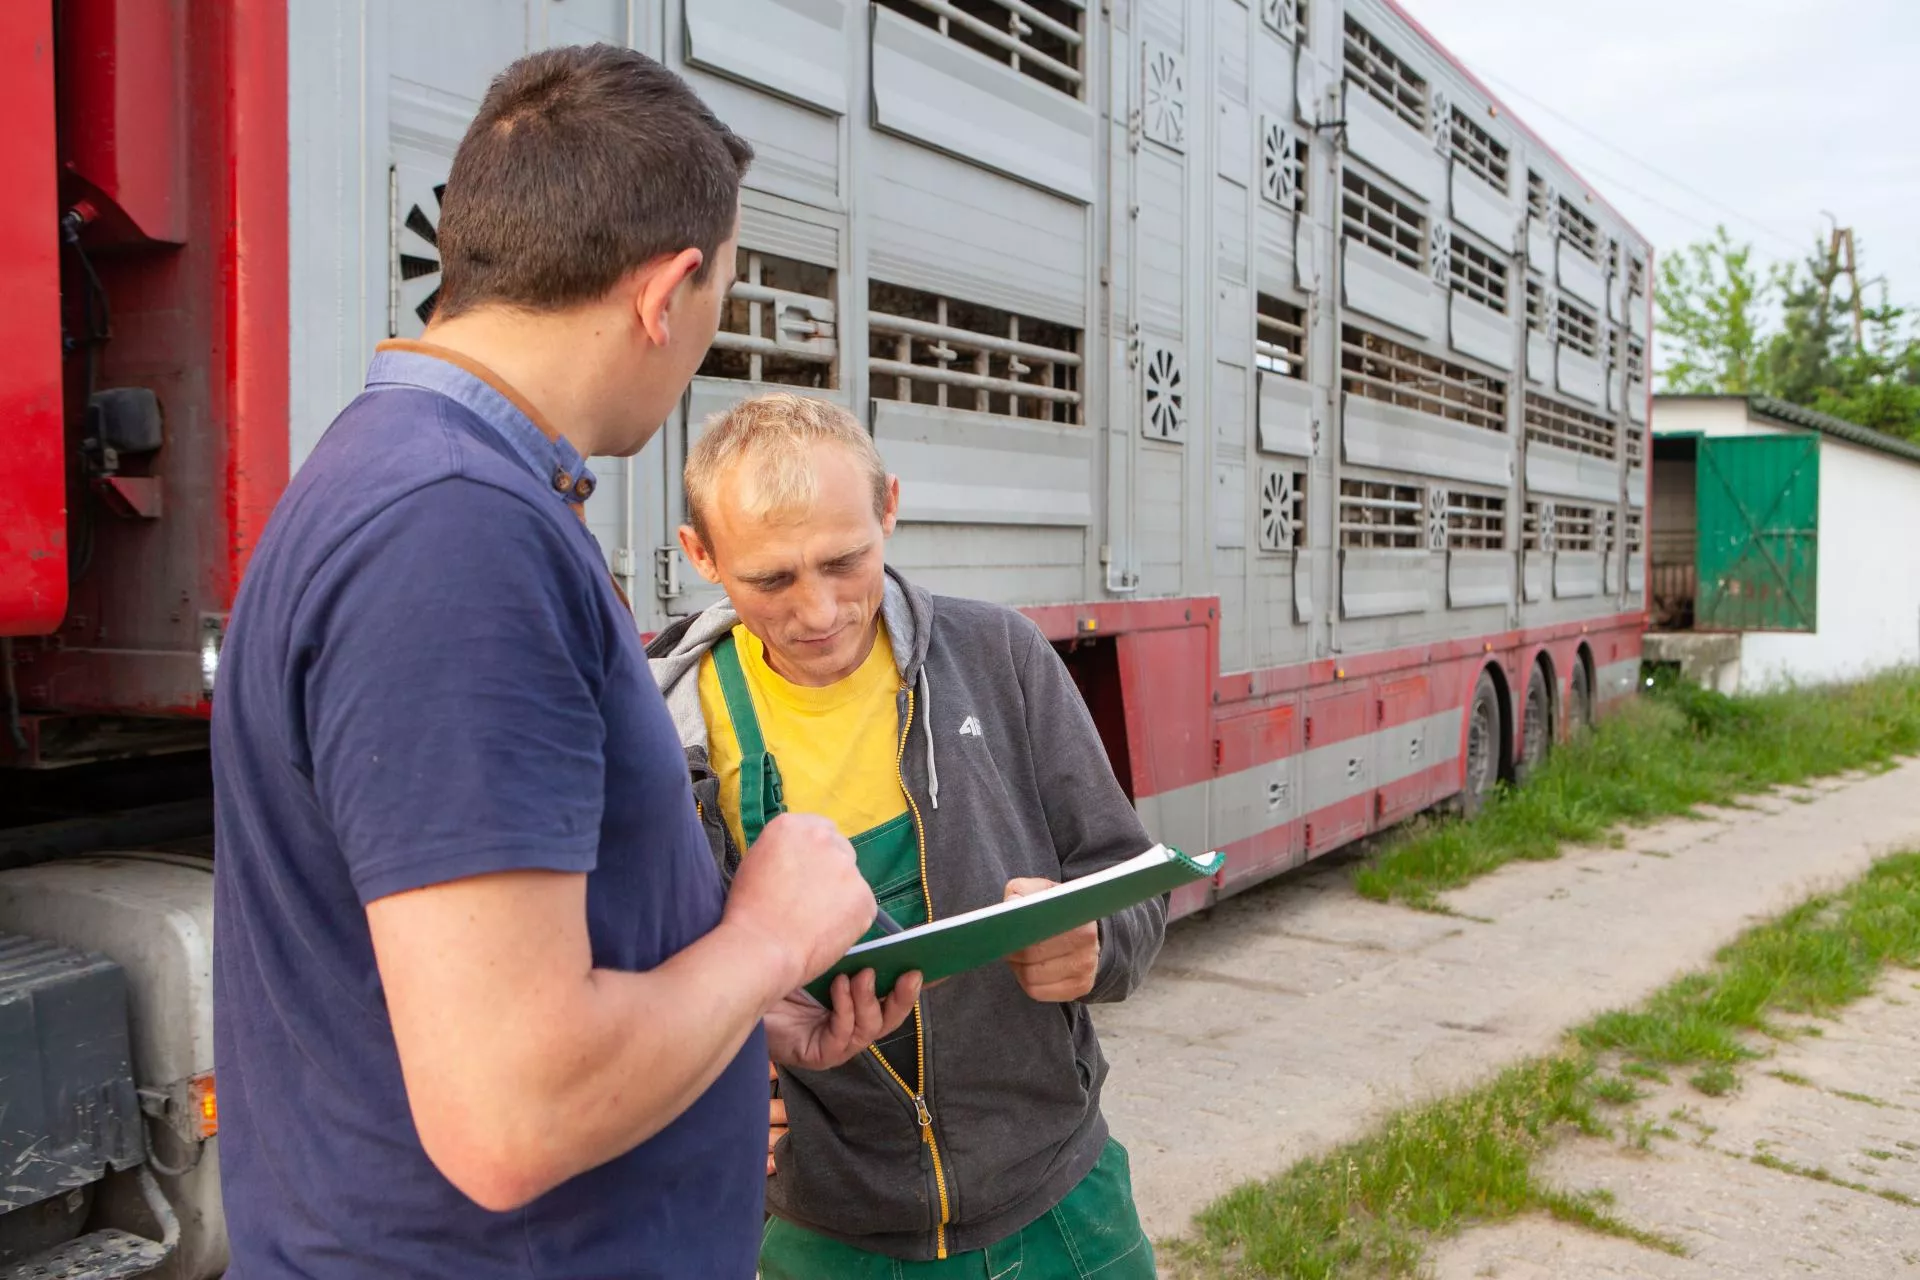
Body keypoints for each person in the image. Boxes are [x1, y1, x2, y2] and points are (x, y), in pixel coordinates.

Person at [210, 47, 914, 1278]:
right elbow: (513, 1114)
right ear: (667, 291)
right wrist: (766, 934)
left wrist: (730, 1005)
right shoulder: (455, 534)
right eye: (721, 303)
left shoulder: (413, 481)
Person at [648, 393, 1167, 1277]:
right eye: (771, 579)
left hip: (1061, 1206)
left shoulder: (1000, 657)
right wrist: (709, 1083)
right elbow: (633, 979)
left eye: (845, 562)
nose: (817, 612)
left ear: (889, 506)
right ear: (701, 554)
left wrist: (1095, 944)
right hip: (823, 1235)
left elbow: (1133, 881)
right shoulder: (668, 726)